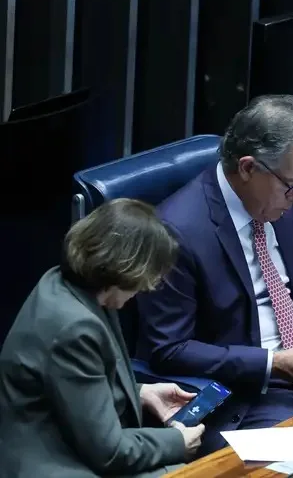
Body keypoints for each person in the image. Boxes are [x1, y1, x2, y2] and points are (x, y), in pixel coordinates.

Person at [136, 95, 293, 455]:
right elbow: (169, 349)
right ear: (248, 168)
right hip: (249, 396)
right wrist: (274, 363)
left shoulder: (283, 202)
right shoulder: (175, 232)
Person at [0, 199, 204, 477]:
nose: (142, 290)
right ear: (126, 270)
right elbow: (109, 453)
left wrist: (139, 392)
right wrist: (177, 442)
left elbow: (72, 387)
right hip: (53, 463)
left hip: (70, 440)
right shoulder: (74, 327)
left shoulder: (70, 284)